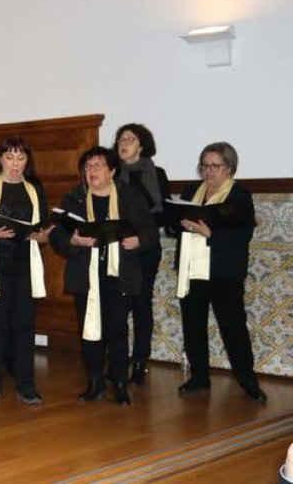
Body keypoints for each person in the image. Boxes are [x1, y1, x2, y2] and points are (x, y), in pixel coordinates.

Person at [50, 146, 158, 406]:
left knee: (117, 332)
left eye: (98, 165)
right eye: (87, 167)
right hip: (85, 276)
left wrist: (138, 241)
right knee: (90, 332)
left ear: (112, 171)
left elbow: (150, 233)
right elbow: (58, 235)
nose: (91, 171)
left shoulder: (130, 197)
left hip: (119, 275)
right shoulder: (75, 198)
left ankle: (120, 384)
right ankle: (95, 382)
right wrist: (73, 240)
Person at [174, 142, 266, 403]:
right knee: (193, 325)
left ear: (230, 168)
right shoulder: (192, 190)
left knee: (233, 327)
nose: (208, 171)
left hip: (224, 271)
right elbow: (176, 226)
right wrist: (176, 222)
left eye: (215, 166)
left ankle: (248, 380)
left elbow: (242, 234)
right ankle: (199, 376)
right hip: (192, 269)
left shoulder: (238, 195)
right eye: (204, 165)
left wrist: (210, 234)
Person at [0, 136, 51, 405]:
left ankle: (26, 385)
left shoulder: (35, 189)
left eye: (21, 158)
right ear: (0, 160)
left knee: (24, 326)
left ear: (27, 161)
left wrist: (43, 237)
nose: (15, 164)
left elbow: (43, 227)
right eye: (9, 157)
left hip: (24, 264)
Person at [113, 123, 171, 385]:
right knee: (118, 305)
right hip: (120, 247)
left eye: (130, 139)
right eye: (121, 139)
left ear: (142, 145)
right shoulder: (112, 175)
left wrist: (142, 233)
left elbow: (165, 212)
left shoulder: (156, 173)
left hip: (146, 247)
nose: (123, 144)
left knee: (141, 305)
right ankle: (116, 361)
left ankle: (139, 362)